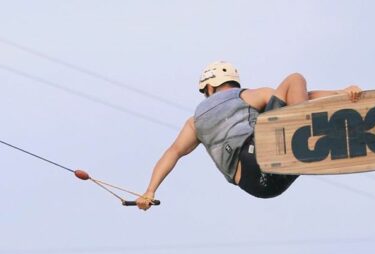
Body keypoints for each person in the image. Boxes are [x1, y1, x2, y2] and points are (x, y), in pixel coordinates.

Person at [136, 61, 362, 209]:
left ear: (209, 87)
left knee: (291, 109)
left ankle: (306, 140)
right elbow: (302, 96)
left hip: (260, 186)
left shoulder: (194, 123)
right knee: (295, 79)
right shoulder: (245, 95)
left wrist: (149, 191)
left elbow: (172, 152)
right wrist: (341, 93)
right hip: (259, 157)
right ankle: (308, 134)